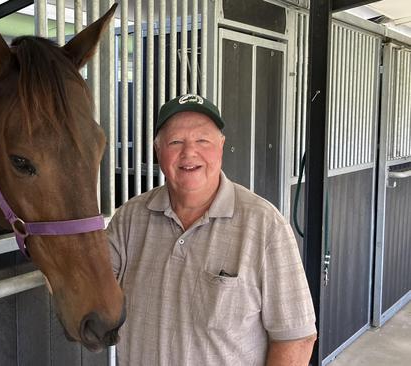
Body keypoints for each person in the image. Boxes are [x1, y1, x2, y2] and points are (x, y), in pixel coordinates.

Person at [107, 94, 317, 365]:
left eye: (202, 141)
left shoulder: (265, 225)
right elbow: (87, 281)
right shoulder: (129, 219)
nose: (189, 153)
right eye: (175, 142)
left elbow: (296, 339)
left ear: (221, 146)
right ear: (158, 151)